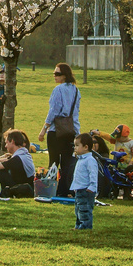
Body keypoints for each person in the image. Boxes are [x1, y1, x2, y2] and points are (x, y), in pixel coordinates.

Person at [38, 62, 81, 197]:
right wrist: (77, 132)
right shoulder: (76, 91)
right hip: (69, 131)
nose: (54, 76)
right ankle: (66, 189)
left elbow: (53, 111)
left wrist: (44, 128)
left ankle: (53, 188)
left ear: (64, 76)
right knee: (67, 163)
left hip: (56, 130)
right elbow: (75, 113)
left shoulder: (58, 90)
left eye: (57, 74)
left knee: (54, 161)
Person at [0, 128, 35, 197]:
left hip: (20, 187)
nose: (5, 146)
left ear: (12, 141)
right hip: (21, 184)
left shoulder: (18, 158)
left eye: (6, 143)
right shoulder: (23, 154)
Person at [71, 133, 99, 230]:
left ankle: (86, 226)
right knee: (78, 208)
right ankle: (78, 225)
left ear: (86, 147)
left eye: (77, 145)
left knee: (85, 209)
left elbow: (93, 174)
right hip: (79, 188)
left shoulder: (90, 160)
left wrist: (92, 186)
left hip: (86, 190)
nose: (75, 148)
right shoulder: (80, 160)